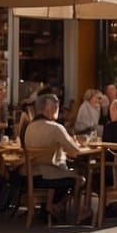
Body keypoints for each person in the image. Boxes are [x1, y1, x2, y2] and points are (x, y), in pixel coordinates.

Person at [20, 93, 85, 222]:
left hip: (30, 174)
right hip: (48, 175)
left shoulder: (29, 127)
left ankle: (49, 207)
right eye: (57, 106)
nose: (58, 110)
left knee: (60, 168)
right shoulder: (56, 128)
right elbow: (74, 151)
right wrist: (78, 143)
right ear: (49, 108)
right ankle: (56, 206)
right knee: (80, 179)